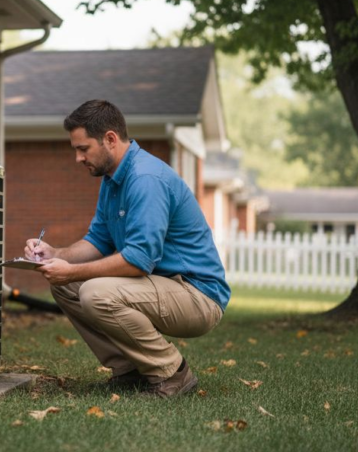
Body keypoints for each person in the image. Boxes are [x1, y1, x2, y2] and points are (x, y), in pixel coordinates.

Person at [25, 100, 230, 398]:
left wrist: (72, 272)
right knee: (68, 287)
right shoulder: (112, 179)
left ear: (110, 139)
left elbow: (138, 261)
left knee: (94, 293)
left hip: (198, 295)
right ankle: (131, 370)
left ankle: (172, 373)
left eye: (83, 149)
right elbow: (97, 241)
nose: (78, 158)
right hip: (162, 286)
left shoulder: (145, 179)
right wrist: (55, 254)